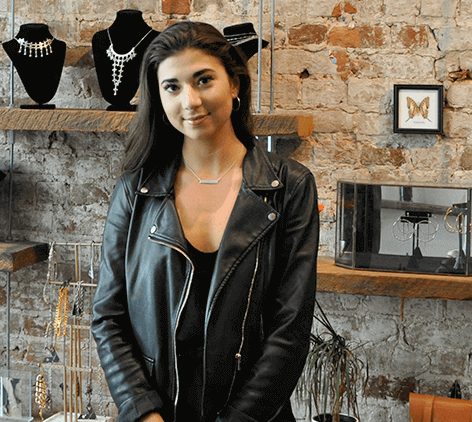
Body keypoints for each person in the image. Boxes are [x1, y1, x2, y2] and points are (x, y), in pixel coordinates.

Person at [91, 21, 320, 422]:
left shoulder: (290, 187)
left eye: (203, 80)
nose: (190, 101)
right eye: (172, 87)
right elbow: (109, 317)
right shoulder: (135, 190)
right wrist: (144, 413)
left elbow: (290, 330)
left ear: (234, 84)